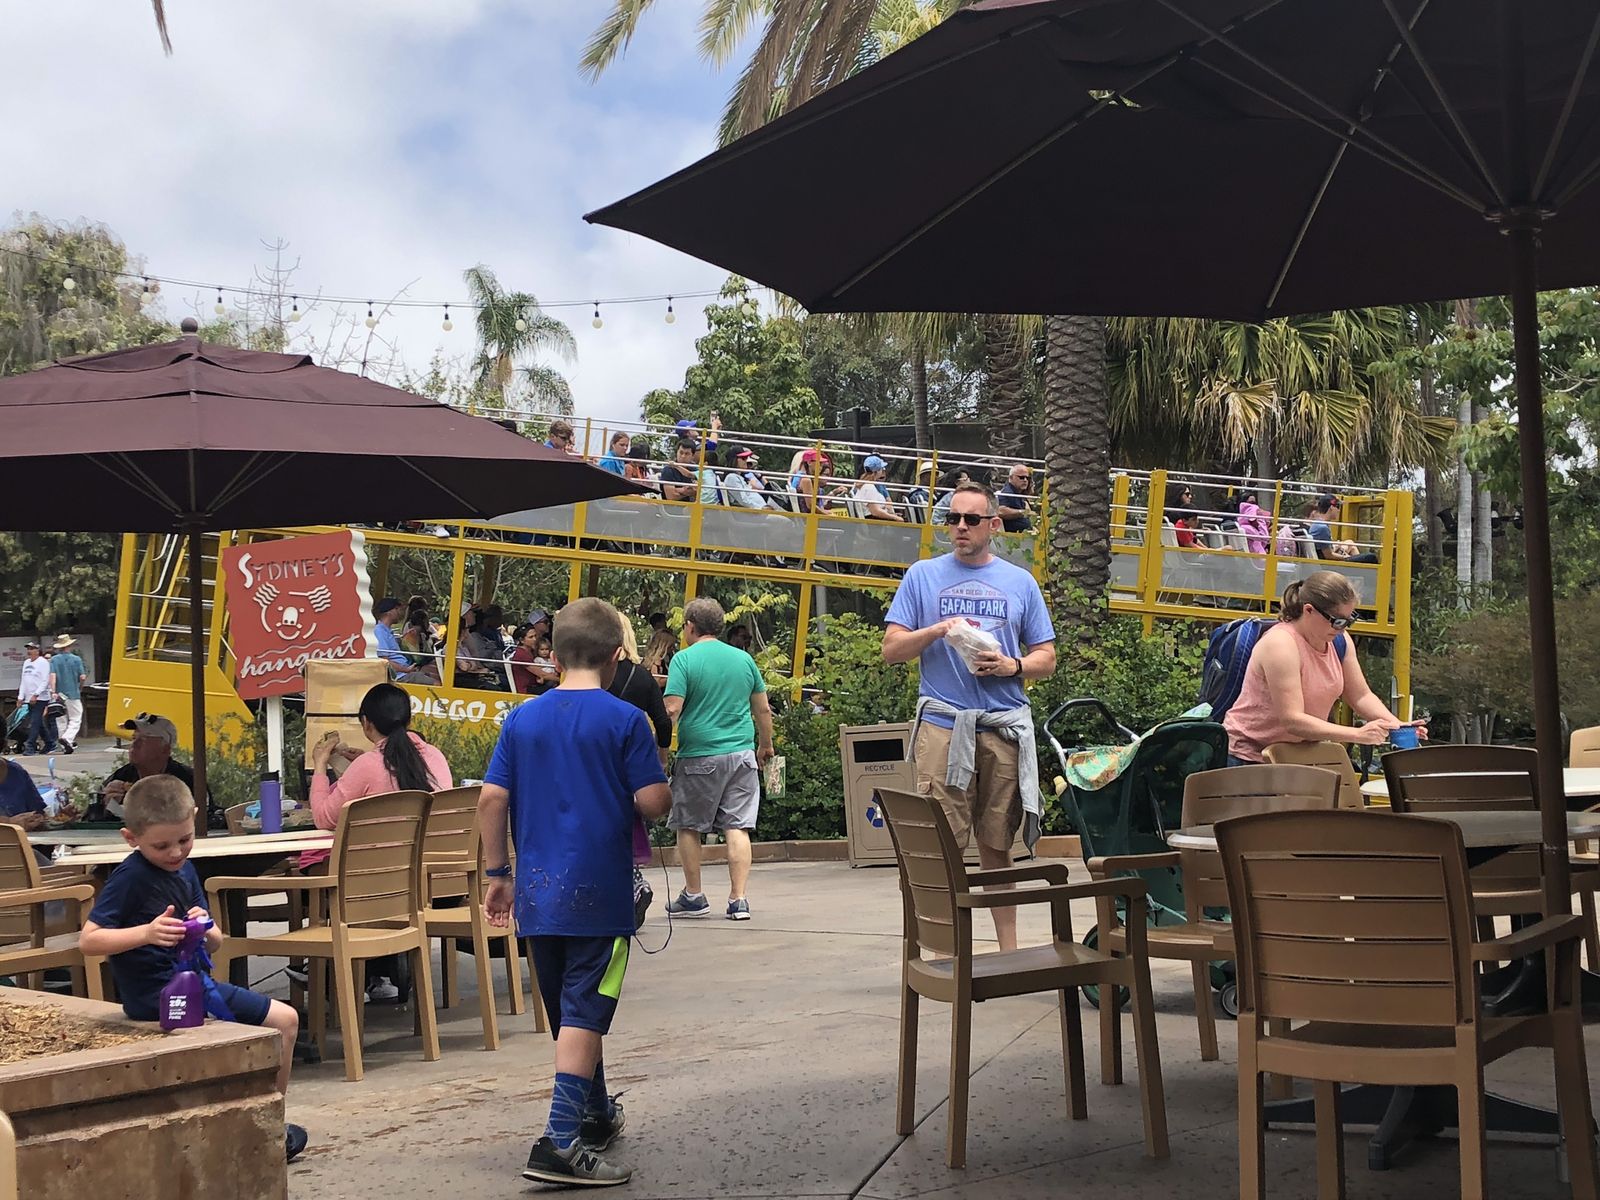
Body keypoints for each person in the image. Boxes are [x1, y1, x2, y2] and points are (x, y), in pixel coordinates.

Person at [478, 598, 671, 1187]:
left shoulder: (521, 720)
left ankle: (595, 1111)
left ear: (555, 658)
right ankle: (560, 1141)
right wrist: (658, 789)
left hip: (538, 897)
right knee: (587, 1011)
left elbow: (491, 798)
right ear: (616, 656)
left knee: (569, 1012)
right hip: (601, 896)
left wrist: (498, 874)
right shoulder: (626, 721)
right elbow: (652, 803)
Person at [80, 775, 307, 1162]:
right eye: (162, 845)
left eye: (184, 840)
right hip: (157, 997)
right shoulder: (131, 877)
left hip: (195, 985)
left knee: (284, 1022)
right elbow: (89, 940)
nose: (175, 852)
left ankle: (266, 1121)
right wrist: (146, 933)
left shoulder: (185, 870)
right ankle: (261, 1130)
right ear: (130, 838)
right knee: (276, 1023)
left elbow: (215, 941)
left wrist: (205, 926)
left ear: (195, 820)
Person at [881, 482, 1057, 953]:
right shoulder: (922, 576)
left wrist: (1011, 665)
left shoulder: (1021, 582)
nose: (960, 527)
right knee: (942, 844)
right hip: (944, 728)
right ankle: (945, 953)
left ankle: (1008, 951)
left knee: (998, 845)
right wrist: (939, 629)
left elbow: (1046, 658)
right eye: (953, 518)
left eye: (972, 519)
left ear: (993, 525)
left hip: (1002, 728)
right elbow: (892, 649)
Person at [306, 683, 452, 1003]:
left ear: (367, 723)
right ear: (408, 719)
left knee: (317, 876)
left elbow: (324, 818)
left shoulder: (369, 766)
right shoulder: (435, 757)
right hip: (428, 884)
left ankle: (331, 972)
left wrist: (320, 765)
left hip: (373, 888)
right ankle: (375, 973)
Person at [1224, 572, 1422, 764]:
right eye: (1337, 621)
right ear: (1308, 610)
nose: (1341, 629)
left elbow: (1360, 696)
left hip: (1296, 757)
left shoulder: (1339, 641)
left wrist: (1397, 725)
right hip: (1249, 757)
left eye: (1348, 621)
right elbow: (1292, 720)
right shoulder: (1281, 644)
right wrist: (1357, 734)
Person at [661, 598, 774, 922]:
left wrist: (659, 748)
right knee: (737, 826)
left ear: (690, 626)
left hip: (700, 754)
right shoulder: (743, 659)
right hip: (742, 755)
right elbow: (763, 709)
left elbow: (672, 709)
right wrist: (765, 745)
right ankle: (738, 900)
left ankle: (694, 895)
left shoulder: (684, 659)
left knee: (688, 825)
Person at [101, 714, 212, 822]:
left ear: (165, 750)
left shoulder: (189, 780)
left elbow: (205, 820)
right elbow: (97, 819)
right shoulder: (122, 776)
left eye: (143, 739)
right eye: (134, 738)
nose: (134, 744)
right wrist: (109, 806)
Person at [372, 596, 440, 684]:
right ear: (389, 612)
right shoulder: (380, 631)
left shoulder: (388, 631)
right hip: (399, 675)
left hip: (405, 670)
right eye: (397, 609)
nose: (400, 613)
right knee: (437, 683)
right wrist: (406, 669)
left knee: (435, 676)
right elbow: (384, 661)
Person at [1307, 494, 1379, 563]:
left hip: (1327, 559)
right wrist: (1346, 557)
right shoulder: (1322, 528)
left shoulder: (1317, 524)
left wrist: (1336, 546)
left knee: (1350, 544)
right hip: (1329, 564)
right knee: (1371, 557)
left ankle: (1358, 567)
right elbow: (1329, 555)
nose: (1338, 510)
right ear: (1331, 508)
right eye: (1338, 507)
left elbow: (1325, 549)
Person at [48, 635, 87, 753]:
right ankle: (67, 738)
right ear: (69, 645)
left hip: (59, 694)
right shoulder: (76, 659)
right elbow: (82, 677)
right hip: (73, 693)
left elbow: (52, 676)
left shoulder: (54, 660)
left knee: (61, 720)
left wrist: (53, 691)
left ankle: (65, 746)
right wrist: (80, 687)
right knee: (76, 718)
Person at [16, 642, 56, 756]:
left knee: (34, 722)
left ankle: (30, 746)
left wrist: (36, 694)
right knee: (38, 722)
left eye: (32, 649)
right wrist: (20, 697)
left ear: (37, 651)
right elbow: (24, 680)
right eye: (28, 649)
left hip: (41, 697)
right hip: (28, 697)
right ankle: (50, 743)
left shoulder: (43, 662)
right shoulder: (26, 662)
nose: (29, 651)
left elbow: (45, 680)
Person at [510, 623, 560, 694]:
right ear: (522, 640)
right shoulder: (521, 654)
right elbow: (542, 674)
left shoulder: (531, 651)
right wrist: (561, 680)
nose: (535, 639)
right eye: (531, 637)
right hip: (527, 689)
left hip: (536, 684)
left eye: (535, 636)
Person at [850, 455, 904, 521]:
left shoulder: (865, 485)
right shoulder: (869, 487)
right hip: (875, 522)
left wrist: (893, 515)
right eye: (881, 468)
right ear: (877, 471)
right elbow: (875, 512)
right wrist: (895, 518)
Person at [996, 464, 1035, 532]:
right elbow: (1001, 511)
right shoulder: (1008, 492)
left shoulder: (1019, 493)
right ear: (1011, 478)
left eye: (1027, 478)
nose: (1025, 480)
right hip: (1015, 535)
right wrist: (1023, 512)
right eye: (1021, 477)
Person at [1165, 481, 1199, 547]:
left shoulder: (1168, 512)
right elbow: (1192, 540)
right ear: (1179, 495)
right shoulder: (1179, 515)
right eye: (1187, 494)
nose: (1190, 496)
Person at [1237, 490, 1271, 555]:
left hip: (1259, 557)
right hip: (1258, 558)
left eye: (1254, 504)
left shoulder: (1247, 526)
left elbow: (1262, 544)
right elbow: (1265, 538)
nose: (1254, 507)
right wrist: (1260, 519)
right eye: (1250, 503)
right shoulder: (1246, 528)